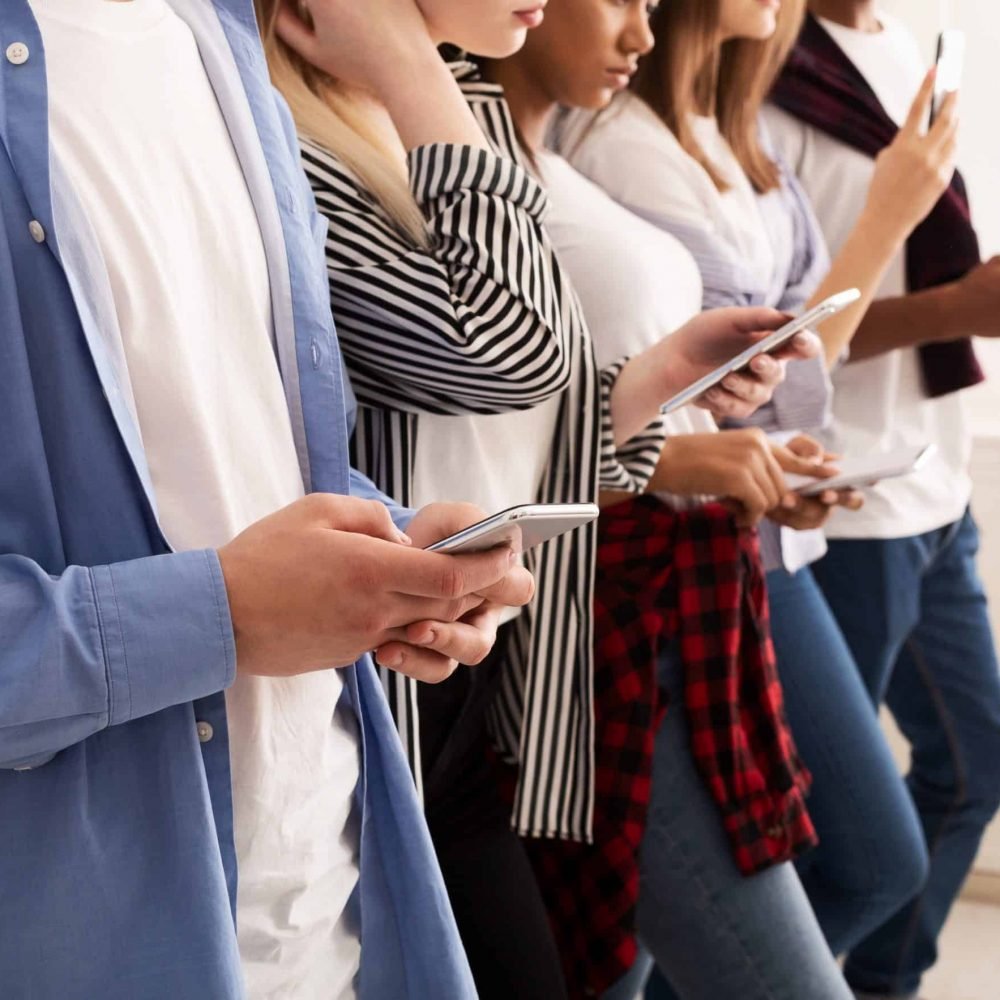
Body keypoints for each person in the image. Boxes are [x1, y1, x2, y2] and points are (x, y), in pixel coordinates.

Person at [260, 0, 816, 996]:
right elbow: (502, 353)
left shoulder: (442, 103)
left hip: (474, 677)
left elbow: (510, 418)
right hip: (372, 691)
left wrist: (658, 379)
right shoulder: (291, 130)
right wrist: (408, 64)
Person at [0, 0, 544, 997]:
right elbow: (502, 344)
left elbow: (251, 448)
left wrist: (385, 548)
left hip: (338, 894)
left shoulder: (214, 36)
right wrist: (225, 613)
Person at [481, 1, 891, 997]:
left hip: (676, 602)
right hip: (593, 629)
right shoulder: (493, 172)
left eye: (647, 6)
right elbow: (478, 448)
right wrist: (680, 459)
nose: (638, 32)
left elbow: (571, 399)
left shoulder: (562, 173)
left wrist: (710, 417)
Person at [557, 3, 961, 997]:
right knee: (823, 867)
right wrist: (888, 219)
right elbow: (776, 370)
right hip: (669, 561)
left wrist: (770, 454)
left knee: (856, 859)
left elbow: (786, 368)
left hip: (753, 542)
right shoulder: (616, 149)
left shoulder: (728, 133)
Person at [764, 3, 1000, 998]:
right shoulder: (768, 78)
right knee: (826, 837)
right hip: (841, 507)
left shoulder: (903, 49)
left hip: (934, 490)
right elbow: (779, 335)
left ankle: (879, 983)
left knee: (972, 764)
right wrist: (957, 310)